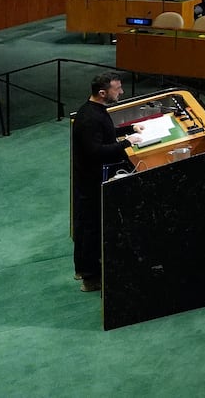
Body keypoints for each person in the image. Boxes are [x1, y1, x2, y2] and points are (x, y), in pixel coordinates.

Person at [71, 72, 144, 291]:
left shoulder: (95, 111)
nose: (121, 92)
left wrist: (129, 130)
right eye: (117, 89)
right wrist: (126, 143)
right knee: (90, 228)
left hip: (91, 178)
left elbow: (106, 135)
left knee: (89, 226)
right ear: (103, 93)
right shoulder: (90, 118)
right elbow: (96, 151)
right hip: (91, 182)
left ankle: (84, 269)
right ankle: (90, 278)